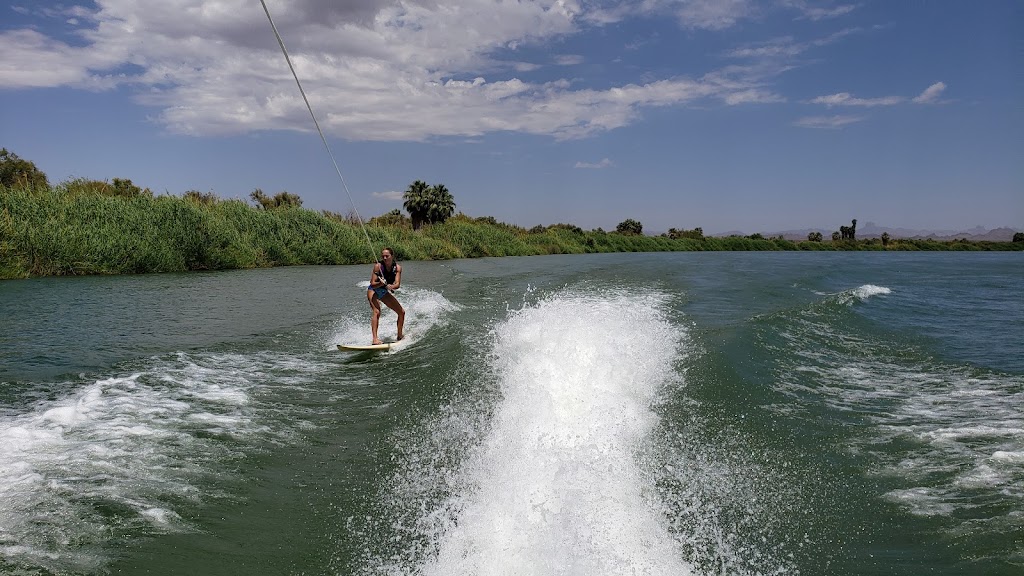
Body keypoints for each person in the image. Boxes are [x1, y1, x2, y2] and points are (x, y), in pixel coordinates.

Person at [367, 247, 405, 345]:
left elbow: (397, 284)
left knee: (401, 312)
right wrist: (380, 283)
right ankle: (375, 339)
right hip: (373, 290)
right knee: (377, 311)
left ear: (392, 256)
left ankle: (399, 335)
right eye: (383, 256)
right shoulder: (378, 266)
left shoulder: (397, 268)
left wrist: (391, 286)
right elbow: (372, 284)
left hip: (384, 291)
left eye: (387, 256)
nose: (384, 258)